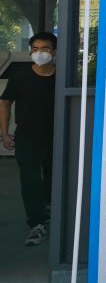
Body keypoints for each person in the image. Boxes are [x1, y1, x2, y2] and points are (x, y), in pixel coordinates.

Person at [0, 31, 58, 247]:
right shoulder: (21, 76)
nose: (40, 53)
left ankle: (49, 208)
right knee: (30, 180)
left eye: (45, 48)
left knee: (54, 177)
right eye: (35, 49)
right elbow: (5, 103)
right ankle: (37, 223)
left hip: (57, 137)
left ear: (54, 51)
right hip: (27, 137)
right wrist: (5, 133)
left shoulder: (63, 77)